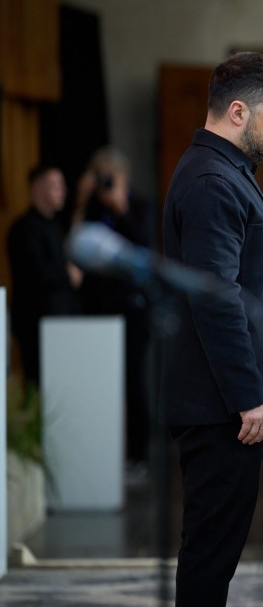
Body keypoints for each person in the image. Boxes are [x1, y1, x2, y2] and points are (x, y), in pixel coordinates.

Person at [161, 51, 263, 607]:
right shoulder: (212, 181)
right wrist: (248, 395)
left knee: (215, 552)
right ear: (238, 112)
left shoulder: (224, 172)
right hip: (222, 407)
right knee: (210, 554)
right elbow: (216, 301)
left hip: (222, 405)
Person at [75, 146, 155, 470]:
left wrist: (120, 208)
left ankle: (138, 455)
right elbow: (73, 244)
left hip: (132, 306)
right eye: (101, 176)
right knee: (98, 381)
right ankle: (100, 457)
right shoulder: (90, 210)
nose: (106, 183)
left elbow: (143, 247)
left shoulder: (139, 205)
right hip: (97, 306)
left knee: (133, 381)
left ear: (124, 176)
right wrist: (82, 200)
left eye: (111, 176)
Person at [6, 165, 81, 383]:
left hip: (60, 321)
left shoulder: (55, 226)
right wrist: (68, 275)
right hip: (35, 324)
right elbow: (35, 274)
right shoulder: (23, 229)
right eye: (56, 186)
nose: (63, 191)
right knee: (38, 383)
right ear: (38, 189)